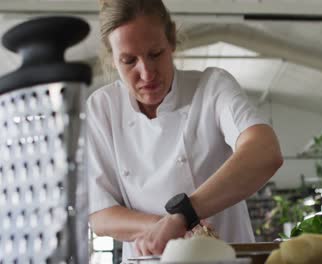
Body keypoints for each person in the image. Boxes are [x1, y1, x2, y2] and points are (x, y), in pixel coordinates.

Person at [87, 0, 283, 261]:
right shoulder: (103, 108)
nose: (146, 73)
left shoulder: (211, 87)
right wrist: (164, 226)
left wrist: (184, 215)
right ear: (112, 59)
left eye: (155, 54)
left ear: (172, 42)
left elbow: (265, 151)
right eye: (129, 61)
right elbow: (100, 215)